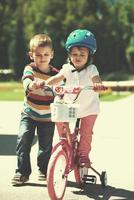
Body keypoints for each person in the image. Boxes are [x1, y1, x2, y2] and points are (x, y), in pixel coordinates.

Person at [46, 29, 105, 168]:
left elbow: (96, 78)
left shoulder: (92, 69)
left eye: (82, 54)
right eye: (74, 54)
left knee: (86, 133)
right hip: (70, 106)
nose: (77, 57)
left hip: (89, 108)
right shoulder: (66, 68)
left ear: (89, 55)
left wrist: (98, 84)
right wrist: (45, 83)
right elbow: (57, 78)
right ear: (69, 55)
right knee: (60, 120)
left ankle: (84, 154)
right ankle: (66, 143)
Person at [12, 34, 58, 185]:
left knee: (45, 146)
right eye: (38, 54)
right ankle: (22, 172)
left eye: (46, 54)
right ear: (31, 55)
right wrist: (31, 85)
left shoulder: (56, 74)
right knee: (23, 139)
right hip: (29, 113)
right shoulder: (30, 68)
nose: (42, 57)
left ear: (51, 55)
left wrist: (61, 91)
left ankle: (44, 169)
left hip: (48, 117)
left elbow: (61, 89)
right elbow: (26, 79)